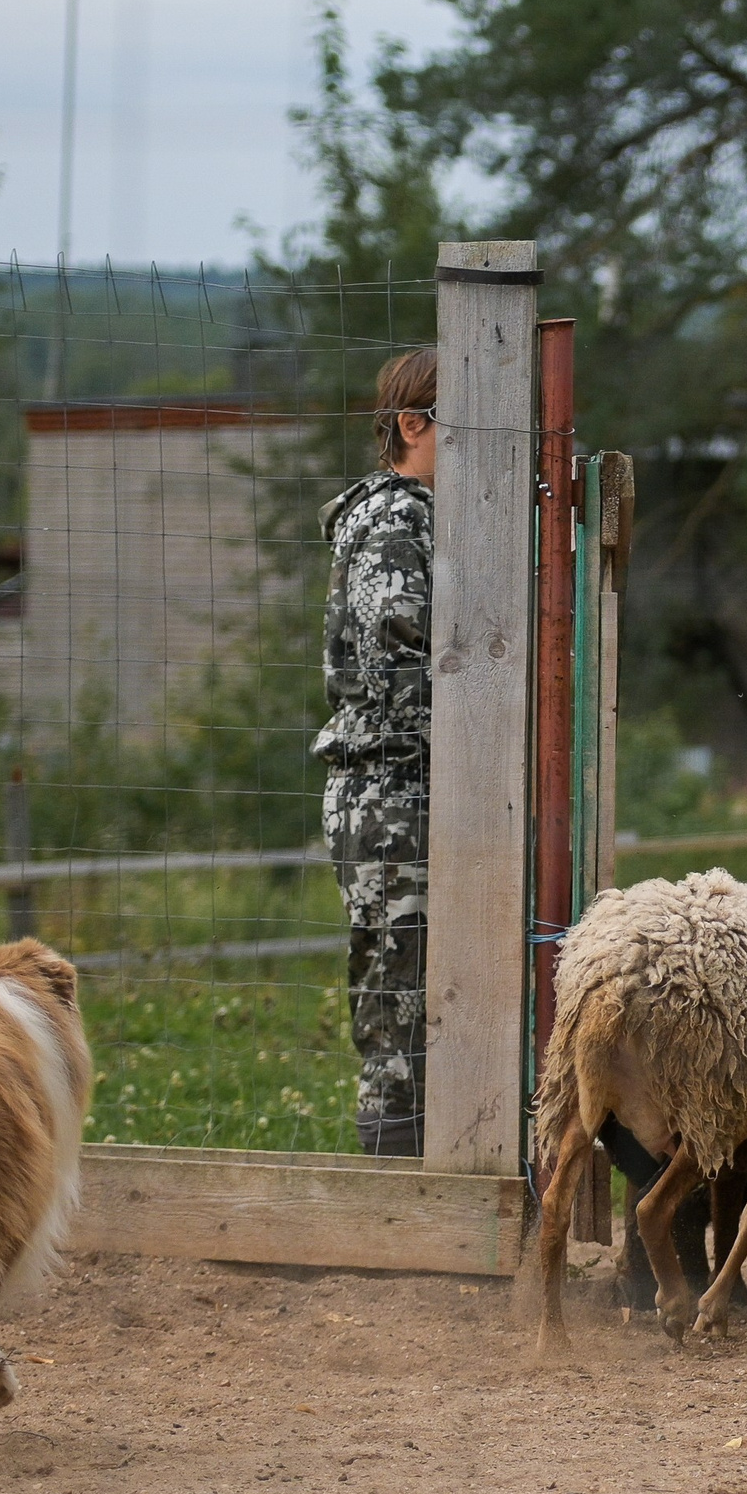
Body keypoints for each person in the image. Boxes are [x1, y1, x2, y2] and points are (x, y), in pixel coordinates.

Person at [314, 348, 438, 1156]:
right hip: (390, 795)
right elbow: (397, 672)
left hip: (407, 789)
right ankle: (396, 1191)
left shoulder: (413, 518)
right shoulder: (395, 522)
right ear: (411, 424)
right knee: (397, 1006)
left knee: (418, 994)